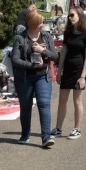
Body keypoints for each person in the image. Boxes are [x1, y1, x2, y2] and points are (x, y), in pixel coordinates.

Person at [12, 10, 58, 146]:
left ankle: (46, 137)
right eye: (40, 22)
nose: (43, 24)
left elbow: (55, 56)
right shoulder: (20, 38)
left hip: (43, 76)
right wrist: (31, 65)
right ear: (33, 23)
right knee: (25, 106)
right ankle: (25, 134)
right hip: (24, 77)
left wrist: (42, 51)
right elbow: (15, 59)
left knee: (44, 104)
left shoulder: (46, 36)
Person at [53, 7, 86, 140]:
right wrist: (59, 71)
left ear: (79, 16)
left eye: (72, 15)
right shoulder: (68, 33)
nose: (70, 18)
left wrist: (83, 76)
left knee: (77, 101)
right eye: (69, 16)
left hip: (79, 70)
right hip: (68, 69)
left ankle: (77, 129)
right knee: (62, 101)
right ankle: (58, 128)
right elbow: (63, 52)